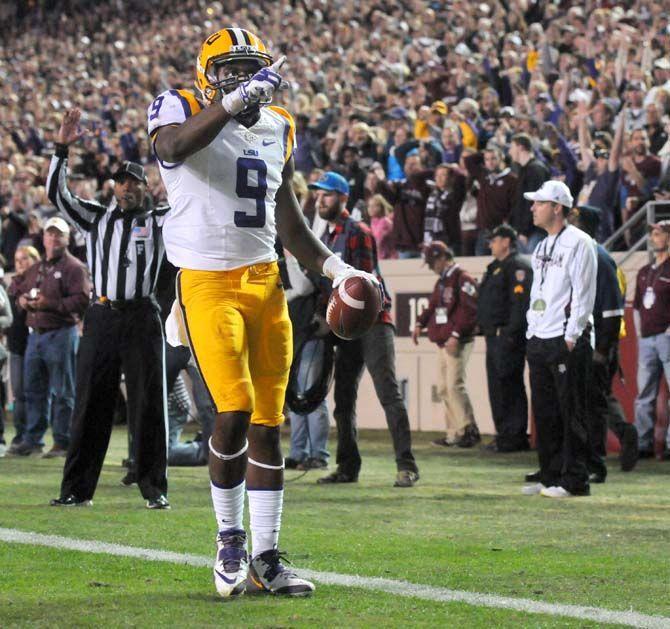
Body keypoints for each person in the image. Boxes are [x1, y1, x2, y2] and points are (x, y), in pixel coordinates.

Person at [150, 29, 377, 598]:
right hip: (205, 281)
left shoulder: (278, 125)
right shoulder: (179, 104)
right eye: (228, 69)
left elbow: (289, 221)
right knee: (233, 408)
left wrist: (337, 271)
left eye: (248, 69)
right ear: (208, 73)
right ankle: (229, 539)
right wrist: (231, 102)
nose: (239, 78)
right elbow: (172, 150)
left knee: (268, 424)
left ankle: (267, 557)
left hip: (265, 281)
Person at [46, 109, 170, 509]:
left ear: (144, 186)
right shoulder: (95, 217)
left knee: (148, 402)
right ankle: (76, 490)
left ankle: (154, 488)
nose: (127, 187)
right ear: (112, 186)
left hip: (142, 315)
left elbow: (194, 206)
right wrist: (62, 147)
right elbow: (57, 194)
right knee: (90, 403)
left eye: (133, 182)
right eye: (121, 181)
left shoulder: (159, 219)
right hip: (102, 315)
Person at [310, 171, 419, 486]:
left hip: (371, 323)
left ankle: (406, 465)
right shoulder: (329, 237)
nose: (321, 199)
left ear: (343, 198)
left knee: (387, 393)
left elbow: (364, 287)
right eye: (319, 194)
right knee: (343, 400)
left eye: (327, 194)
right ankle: (348, 466)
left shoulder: (357, 231)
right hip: (347, 326)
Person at [522, 180, 597, 499]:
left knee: (571, 412)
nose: (532, 208)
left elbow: (583, 291)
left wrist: (571, 334)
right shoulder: (541, 246)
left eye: (539, 203)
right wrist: (531, 328)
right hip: (540, 336)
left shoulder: (580, 242)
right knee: (545, 412)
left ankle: (575, 478)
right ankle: (550, 474)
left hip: (565, 338)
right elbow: (538, 292)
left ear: (557, 207)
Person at [10, 217, 90, 457]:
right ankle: (33, 440)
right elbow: (17, 288)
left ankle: (62, 441)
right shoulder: (38, 266)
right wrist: (22, 300)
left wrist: (51, 304)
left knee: (62, 391)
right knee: (34, 390)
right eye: (50, 234)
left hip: (60, 333)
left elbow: (83, 299)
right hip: (35, 335)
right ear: (43, 237)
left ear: (67, 239)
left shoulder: (75, 267)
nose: (54, 238)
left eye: (59, 235)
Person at [568, 205, 637, 478]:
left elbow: (611, 310)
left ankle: (597, 458)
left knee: (593, 402)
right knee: (596, 399)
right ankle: (616, 436)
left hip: (600, 341)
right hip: (595, 339)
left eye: (573, 219)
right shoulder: (588, 256)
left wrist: (603, 349)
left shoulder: (600, 259)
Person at [412, 241, 480, 448]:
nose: (431, 267)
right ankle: (454, 433)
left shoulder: (462, 278)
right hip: (444, 341)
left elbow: (471, 310)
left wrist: (456, 334)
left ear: (443, 258)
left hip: (457, 341)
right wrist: (419, 323)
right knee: (443, 388)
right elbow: (433, 306)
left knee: (454, 385)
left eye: (433, 262)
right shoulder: (442, 281)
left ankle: (469, 429)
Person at [476, 224, 532, 452]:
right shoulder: (495, 267)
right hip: (493, 336)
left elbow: (519, 305)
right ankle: (503, 434)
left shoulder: (517, 266)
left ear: (506, 242)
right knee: (496, 387)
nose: (490, 244)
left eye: (495, 240)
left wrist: (510, 333)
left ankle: (515, 435)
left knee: (510, 384)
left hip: (507, 337)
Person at [632, 220, 670, 459]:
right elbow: (636, 305)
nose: (653, 238)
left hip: (666, 337)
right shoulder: (645, 271)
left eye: (658, 234)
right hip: (646, 339)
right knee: (644, 393)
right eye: (653, 234)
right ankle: (643, 443)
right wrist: (638, 332)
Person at [5, 245, 40, 453]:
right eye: (17, 260)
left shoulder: (41, 282)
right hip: (17, 344)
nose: (20, 263)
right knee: (19, 393)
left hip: (37, 341)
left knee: (36, 392)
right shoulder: (11, 286)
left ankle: (34, 438)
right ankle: (20, 436)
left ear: (35, 260)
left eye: (25, 259)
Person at [508, 133, 550, 253]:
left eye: (512, 147)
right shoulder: (524, 170)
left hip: (534, 232)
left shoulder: (535, 169)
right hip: (526, 231)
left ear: (520, 147)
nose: (510, 152)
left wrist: (525, 231)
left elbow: (535, 201)